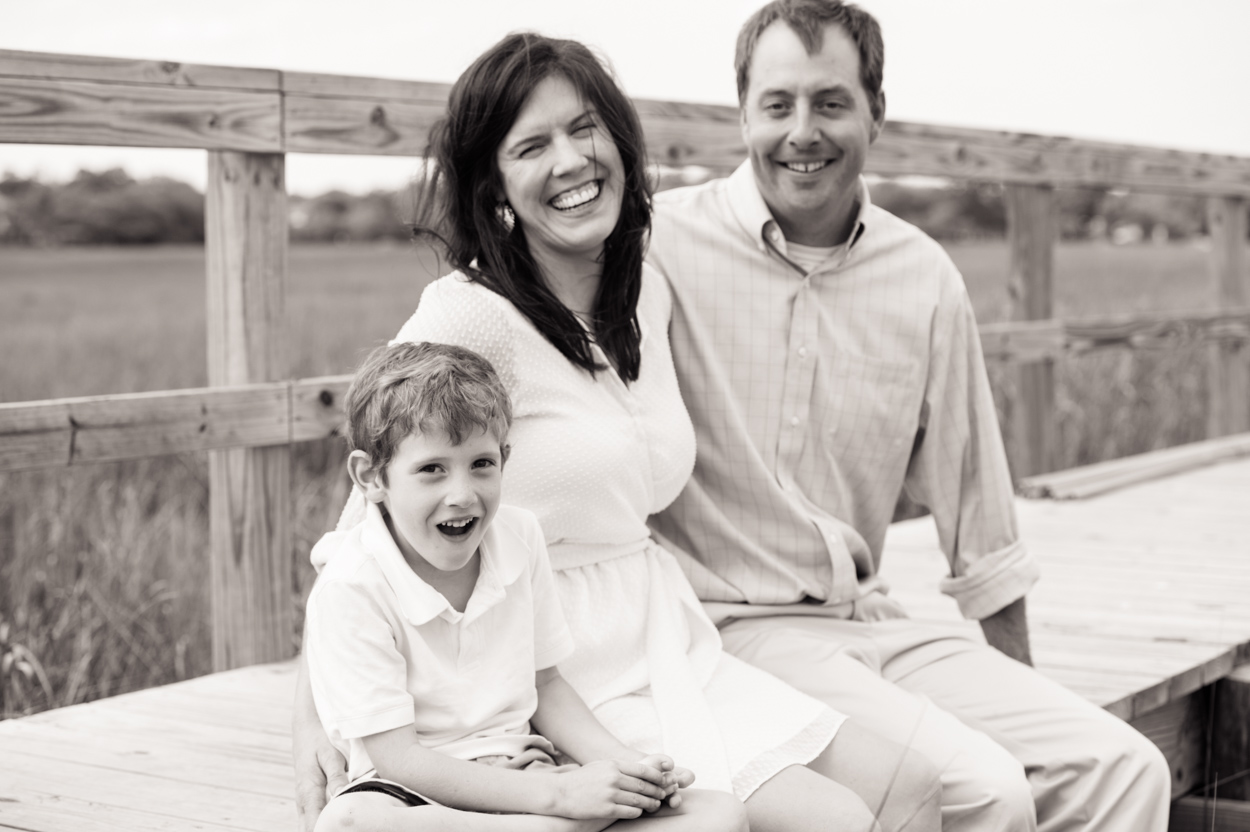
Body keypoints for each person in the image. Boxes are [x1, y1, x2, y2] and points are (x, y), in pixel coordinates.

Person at [294, 30, 943, 832]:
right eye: (532, 146)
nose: (571, 161)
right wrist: (313, 718)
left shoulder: (645, 294)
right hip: (556, 668)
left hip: (664, 636)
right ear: (496, 185)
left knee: (914, 789)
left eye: (584, 128)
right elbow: (367, 524)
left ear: (621, 142)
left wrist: (841, 577)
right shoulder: (472, 315)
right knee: (835, 821)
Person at [644, 1, 1173, 830]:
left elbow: (979, 517)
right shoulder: (659, 247)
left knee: (1122, 767)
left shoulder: (923, 276)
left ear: (875, 113)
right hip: (726, 629)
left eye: (831, 102)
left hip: (868, 620)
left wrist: (1018, 688)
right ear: (742, 114)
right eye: (778, 104)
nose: (803, 132)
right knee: (990, 787)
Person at [305, 340, 738, 832]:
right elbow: (399, 759)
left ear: (504, 459)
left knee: (719, 812)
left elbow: (546, 686)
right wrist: (560, 797)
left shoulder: (519, 537)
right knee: (350, 822)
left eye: (481, 464)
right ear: (370, 476)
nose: (462, 494)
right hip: (412, 796)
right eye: (431, 470)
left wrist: (628, 767)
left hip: (522, 771)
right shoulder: (351, 586)